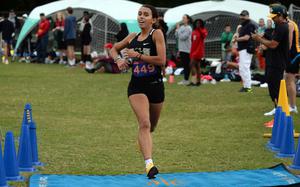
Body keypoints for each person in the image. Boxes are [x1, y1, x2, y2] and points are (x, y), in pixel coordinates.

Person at [110, 4, 166, 179]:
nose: (141, 17)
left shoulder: (156, 34)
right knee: (145, 123)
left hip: (156, 85)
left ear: (154, 19)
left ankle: (142, 142)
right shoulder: (132, 37)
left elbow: (162, 60)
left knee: (152, 127)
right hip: (137, 87)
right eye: (139, 14)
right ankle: (149, 164)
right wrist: (119, 60)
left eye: (146, 14)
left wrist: (138, 56)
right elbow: (113, 49)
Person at [252, 4, 289, 116]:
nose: (272, 18)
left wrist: (259, 39)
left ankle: (280, 113)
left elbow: (273, 45)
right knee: (272, 87)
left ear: (281, 15)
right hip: (271, 61)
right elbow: (272, 44)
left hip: (277, 63)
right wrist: (264, 45)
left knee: (276, 88)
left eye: (274, 16)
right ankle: (277, 109)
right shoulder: (277, 27)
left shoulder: (282, 27)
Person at [233, 10, 257, 93]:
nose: (242, 17)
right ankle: (245, 86)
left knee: (245, 68)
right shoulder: (243, 25)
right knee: (242, 68)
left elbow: (247, 37)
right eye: (241, 15)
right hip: (243, 48)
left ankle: (248, 87)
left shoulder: (250, 24)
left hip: (247, 48)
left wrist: (236, 39)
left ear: (248, 16)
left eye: (244, 15)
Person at [286, 17, 300, 113]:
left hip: (294, 54)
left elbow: (289, 43)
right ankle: (291, 104)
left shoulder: (290, 24)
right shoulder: (289, 23)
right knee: (288, 79)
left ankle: (293, 106)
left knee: (290, 79)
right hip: (292, 54)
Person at [189, 19, 208, 86]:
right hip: (193, 51)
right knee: (197, 66)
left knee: (191, 64)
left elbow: (204, 36)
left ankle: (194, 81)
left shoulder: (203, 30)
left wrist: (199, 28)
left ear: (201, 24)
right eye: (196, 23)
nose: (198, 24)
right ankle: (198, 81)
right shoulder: (194, 31)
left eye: (199, 23)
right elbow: (192, 41)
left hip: (199, 51)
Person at [175, 14, 193, 85]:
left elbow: (183, 37)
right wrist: (177, 30)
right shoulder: (181, 27)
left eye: (184, 18)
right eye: (182, 18)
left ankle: (186, 80)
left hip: (187, 49)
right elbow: (177, 36)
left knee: (186, 65)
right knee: (184, 64)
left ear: (188, 19)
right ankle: (185, 79)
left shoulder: (189, 28)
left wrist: (178, 30)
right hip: (181, 49)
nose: (183, 19)